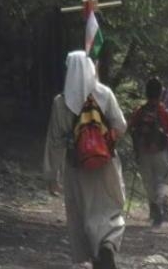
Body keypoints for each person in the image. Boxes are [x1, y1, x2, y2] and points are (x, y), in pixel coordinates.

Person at [43, 51, 127, 269]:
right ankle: (107, 243)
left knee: (82, 212)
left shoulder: (60, 102)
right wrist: (104, 140)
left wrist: (52, 176)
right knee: (110, 208)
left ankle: (93, 255)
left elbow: (55, 142)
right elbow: (121, 125)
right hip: (106, 163)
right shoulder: (104, 94)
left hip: (76, 166)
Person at [128, 77, 168, 227]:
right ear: (161, 93)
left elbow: (129, 128)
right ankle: (160, 205)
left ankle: (155, 210)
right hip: (162, 153)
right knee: (165, 181)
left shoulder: (140, 110)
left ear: (146, 93)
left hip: (143, 153)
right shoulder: (166, 111)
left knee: (149, 183)